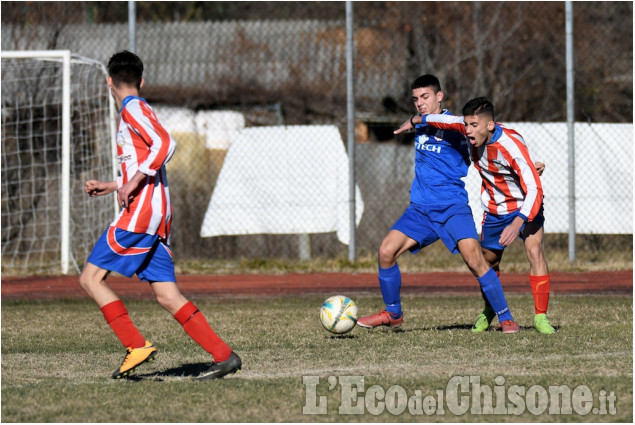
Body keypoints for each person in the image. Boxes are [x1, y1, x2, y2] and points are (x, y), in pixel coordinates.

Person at [79, 50, 242, 380]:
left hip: (140, 214)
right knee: (167, 295)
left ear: (109, 81)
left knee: (89, 278)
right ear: (142, 81)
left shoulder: (132, 110)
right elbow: (148, 157)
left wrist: (134, 182)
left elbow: (166, 144)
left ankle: (135, 345)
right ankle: (224, 356)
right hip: (154, 215)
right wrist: (114, 185)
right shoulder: (139, 109)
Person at [357, 75, 520, 334]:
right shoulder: (422, 125)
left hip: (452, 208)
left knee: (476, 261)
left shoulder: (458, 126)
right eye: (415, 99)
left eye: (425, 97)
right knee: (386, 252)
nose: (420, 104)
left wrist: (521, 165)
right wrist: (415, 121)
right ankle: (393, 313)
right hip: (420, 210)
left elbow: (490, 136)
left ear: (439, 96)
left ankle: (506, 317)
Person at [418, 97, 556, 334]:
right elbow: (443, 120)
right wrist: (417, 119)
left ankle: (540, 317)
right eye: (467, 125)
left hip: (524, 207)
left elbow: (534, 189)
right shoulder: (469, 130)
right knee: (488, 263)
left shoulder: (511, 146)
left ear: (490, 125)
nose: (468, 131)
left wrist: (518, 221)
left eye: (473, 126)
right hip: (493, 210)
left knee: (534, 251)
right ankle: (490, 309)